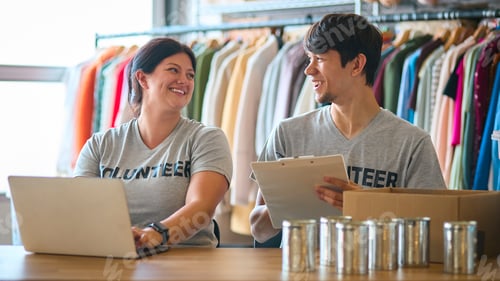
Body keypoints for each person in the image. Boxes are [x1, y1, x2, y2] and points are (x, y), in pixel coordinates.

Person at [249, 13, 447, 244]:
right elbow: (258, 230)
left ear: (356, 64)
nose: (308, 70)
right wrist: (293, 203)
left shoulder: (412, 144)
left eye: (320, 59)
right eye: (309, 59)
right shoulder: (287, 134)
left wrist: (366, 206)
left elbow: (433, 233)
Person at [73, 37, 232, 249]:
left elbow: (201, 208)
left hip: (190, 265)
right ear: (142, 79)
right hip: (117, 262)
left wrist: (156, 235)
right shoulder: (100, 145)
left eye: (190, 75)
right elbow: (78, 209)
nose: (184, 80)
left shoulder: (206, 139)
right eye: (173, 70)